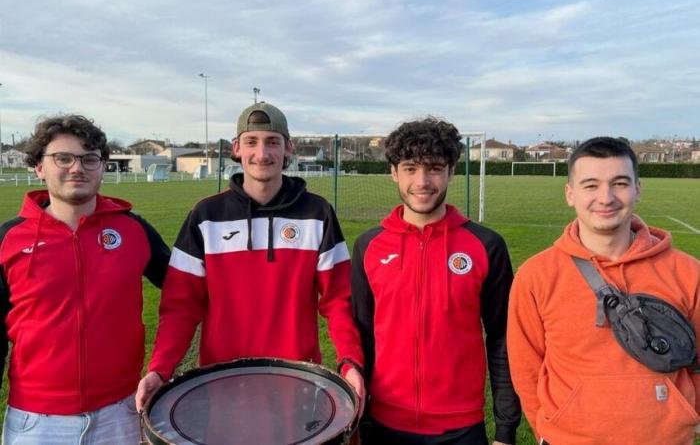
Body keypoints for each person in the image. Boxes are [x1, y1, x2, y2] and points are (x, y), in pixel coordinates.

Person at [136, 102, 364, 412]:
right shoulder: (206, 215)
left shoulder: (318, 212)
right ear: (236, 148)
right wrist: (160, 368)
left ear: (288, 149)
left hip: (296, 382)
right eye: (251, 142)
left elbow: (339, 300)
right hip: (221, 382)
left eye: (273, 141)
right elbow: (180, 305)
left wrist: (349, 360)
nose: (262, 153)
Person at [507, 137, 700, 445]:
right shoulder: (536, 275)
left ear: (638, 189)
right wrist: (549, 426)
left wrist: (685, 414)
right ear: (570, 194)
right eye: (591, 185)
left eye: (620, 183)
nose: (606, 197)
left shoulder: (688, 272)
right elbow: (525, 365)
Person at [0, 114, 170, 444]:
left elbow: (186, 290)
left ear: (102, 166)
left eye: (89, 159)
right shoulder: (9, 240)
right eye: (62, 158)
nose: (77, 168)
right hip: (37, 422)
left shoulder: (133, 229)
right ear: (38, 167)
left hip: (120, 412)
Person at [352, 117, 521, 445]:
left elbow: (502, 338)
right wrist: (361, 416)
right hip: (385, 423)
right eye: (411, 168)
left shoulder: (486, 246)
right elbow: (361, 333)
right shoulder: (369, 246)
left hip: (461, 426)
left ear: (452, 170)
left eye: (434, 168)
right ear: (393, 172)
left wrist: (505, 429)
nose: (422, 181)